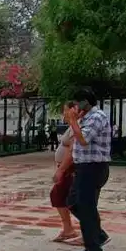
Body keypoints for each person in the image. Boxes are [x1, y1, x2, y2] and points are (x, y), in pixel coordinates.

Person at [65, 88, 112, 251]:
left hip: (93, 167)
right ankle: (98, 235)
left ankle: (93, 249)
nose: (75, 106)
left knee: (86, 207)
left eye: (77, 102)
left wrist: (72, 121)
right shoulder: (86, 117)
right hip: (83, 167)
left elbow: (83, 140)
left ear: (85, 101)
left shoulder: (97, 117)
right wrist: (75, 120)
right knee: (72, 202)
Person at [49, 102, 79, 243]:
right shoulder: (71, 127)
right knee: (59, 196)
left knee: (66, 198)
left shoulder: (76, 126)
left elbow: (72, 150)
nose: (64, 114)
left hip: (69, 169)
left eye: (66, 110)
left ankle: (92, 230)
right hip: (65, 168)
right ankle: (68, 229)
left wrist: (62, 170)